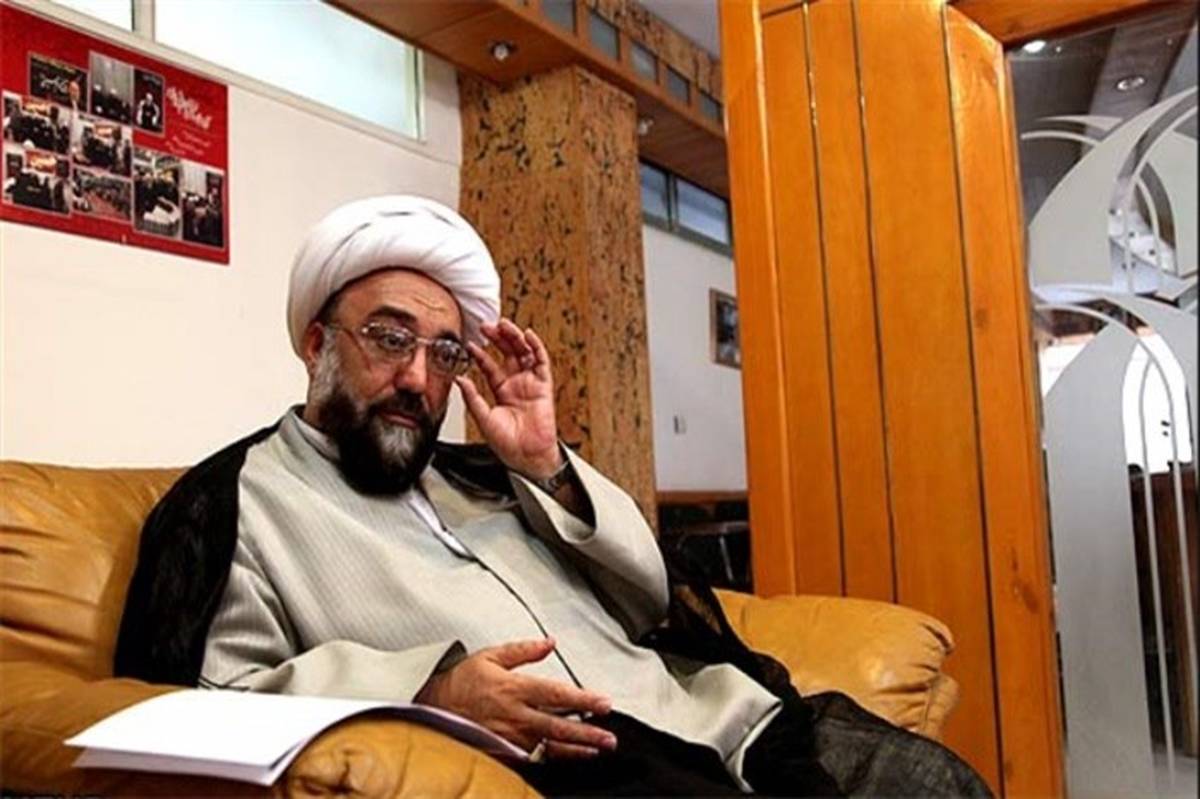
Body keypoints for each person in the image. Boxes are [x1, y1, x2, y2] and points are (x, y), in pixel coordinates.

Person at [115, 195, 989, 797]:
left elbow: (653, 600)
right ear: (317, 344)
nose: (417, 377)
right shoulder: (236, 502)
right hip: (596, 769)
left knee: (938, 782)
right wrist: (427, 691)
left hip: (726, 723)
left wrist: (544, 464)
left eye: (444, 353)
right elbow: (207, 700)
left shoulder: (484, 472)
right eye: (388, 337)